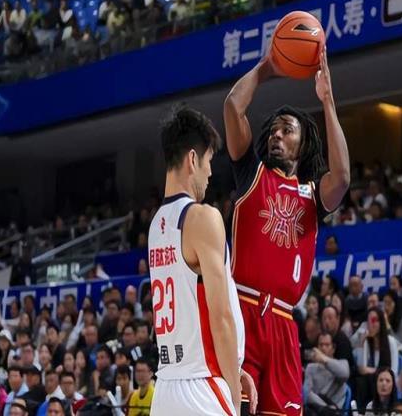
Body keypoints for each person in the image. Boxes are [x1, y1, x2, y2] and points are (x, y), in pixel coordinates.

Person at [224, 50, 349, 415]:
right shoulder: (252, 173)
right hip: (243, 312)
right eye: (274, 130)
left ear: (303, 143)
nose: (276, 134)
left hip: (282, 322)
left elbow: (342, 178)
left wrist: (327, 101)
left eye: (287, 130)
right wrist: (267, 67)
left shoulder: (312, 196)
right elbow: (233, 107)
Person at [148, 105, 255, 415]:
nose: (210, 173)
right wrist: (232, 390)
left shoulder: (156, 225)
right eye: (208, 161)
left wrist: (233, 368)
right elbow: (220, 317)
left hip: (166, 387)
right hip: (202, 388)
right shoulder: (202, 217)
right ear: (193, 159)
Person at [304, 332, 349, 414]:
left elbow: (344, 374)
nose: (323, 348)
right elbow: (307, 394)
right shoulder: (311, 368)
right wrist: (325, 407)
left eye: (327, 345)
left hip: (335, 411)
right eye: (321, 345)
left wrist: (324, 359)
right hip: (316, 409)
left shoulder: (342, 363)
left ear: (333, 348)